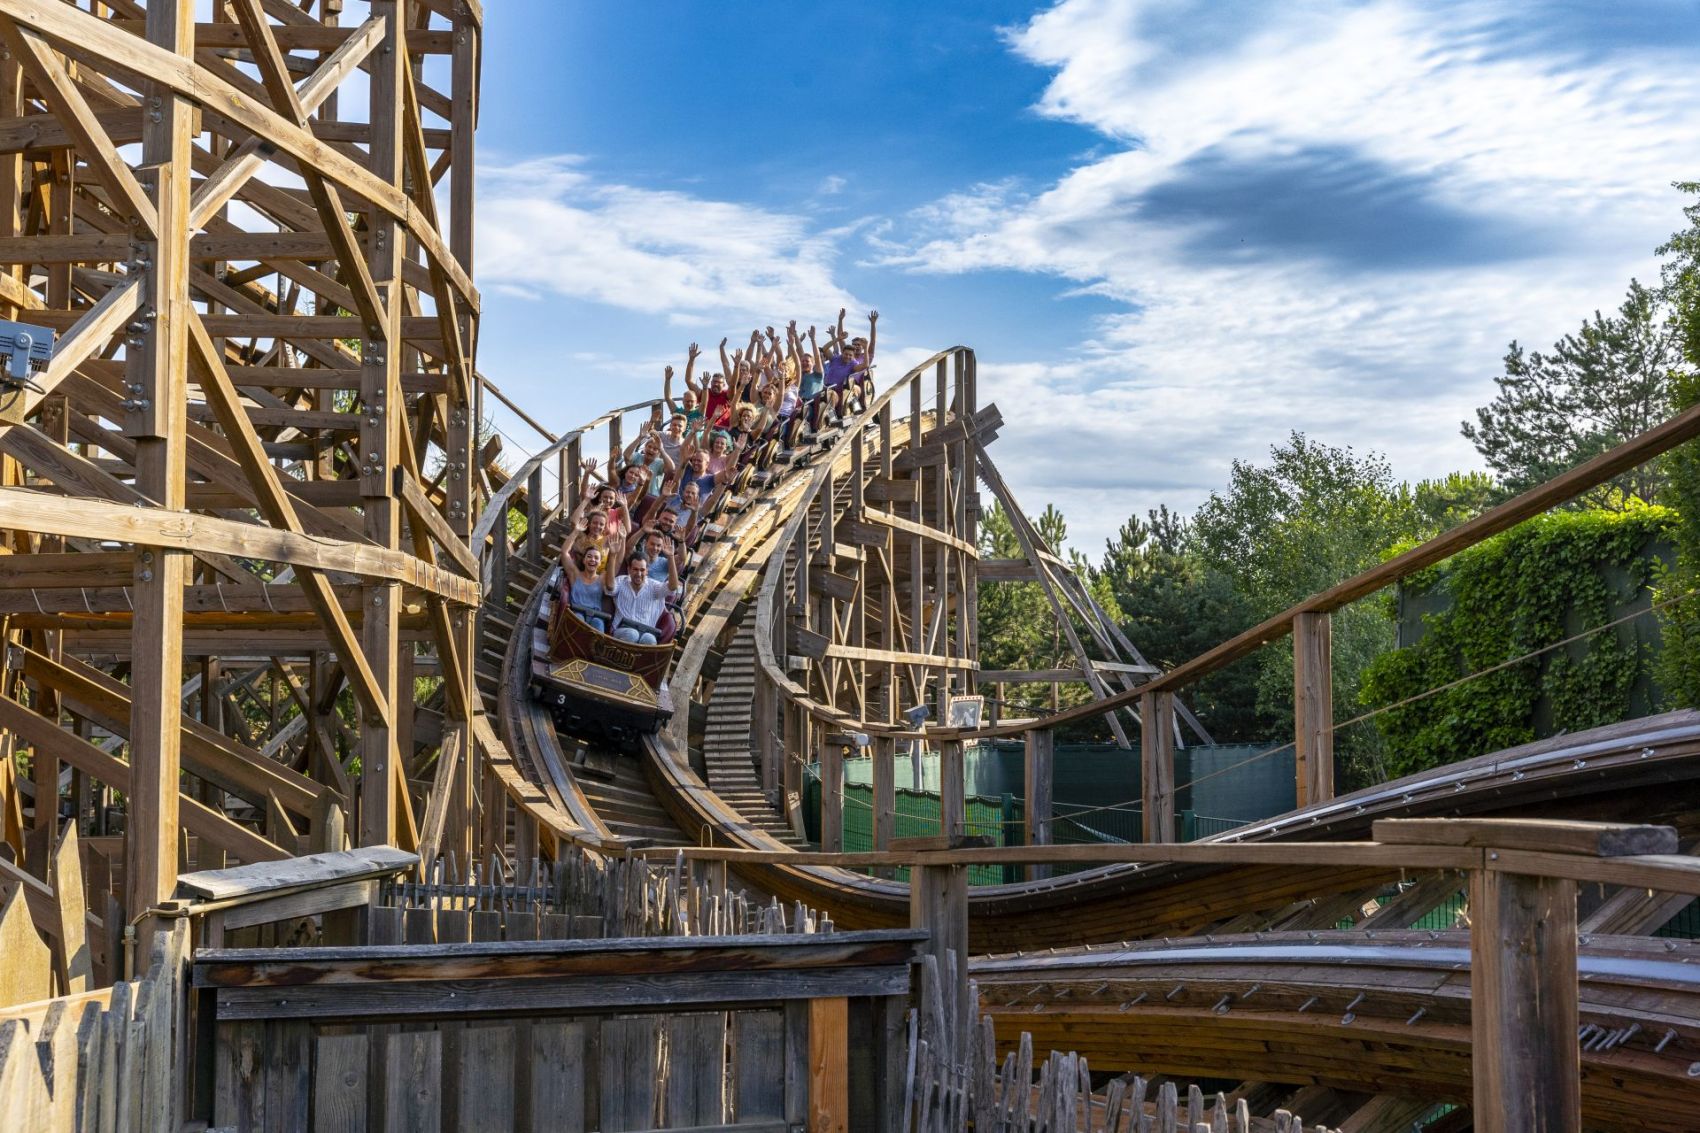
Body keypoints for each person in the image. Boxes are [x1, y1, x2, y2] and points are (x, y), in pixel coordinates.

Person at [606, 543, 677, 646]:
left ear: (647, 571)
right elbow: (610, 586)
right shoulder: (621, 581)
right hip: (621, 630)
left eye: (642, 570)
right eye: (635, 569)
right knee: (632, 634)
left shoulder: (654, 587)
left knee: (650, 639)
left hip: (646, 632)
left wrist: (670, 557)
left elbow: (673, 587)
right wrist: (612, 556)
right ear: (629, 569)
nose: (639, 574)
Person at [560, 544, 609, 632]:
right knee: (578, 619)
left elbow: (616, 564)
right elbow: (564, 552)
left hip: (595, 615)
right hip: (576, 612)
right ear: (584, 560)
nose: (592, 560)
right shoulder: (575, 575)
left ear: (600, 562)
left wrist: (614, 552)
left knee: (598, 623)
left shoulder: (602, 578)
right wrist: (576, 531)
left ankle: (596, 646)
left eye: (596, 558)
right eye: (589, 556)